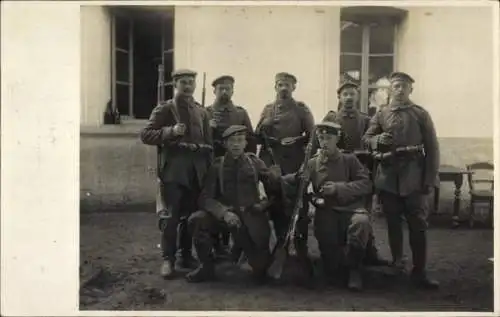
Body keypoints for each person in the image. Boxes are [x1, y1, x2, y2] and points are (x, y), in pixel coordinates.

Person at [362, 71, 440, 289]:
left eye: (404, 86)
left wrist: (429, 179)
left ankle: (419, 271)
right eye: (396, 86)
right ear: (390, 90)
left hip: (414, 176)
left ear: (410, 90)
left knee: (418, 225)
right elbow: (366, 138)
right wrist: (378, 139)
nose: (400, 89)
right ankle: (398, 264)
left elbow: (432, 149)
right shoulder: (381, 114)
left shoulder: (420, 114)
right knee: (393, 223)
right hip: (388, 177)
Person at [282, 121, 374, 291]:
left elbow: (366, 184)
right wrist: (289, 178)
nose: (325, 142)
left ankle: (354, 269)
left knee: (361, 223)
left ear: (337, 139)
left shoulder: (349, 159)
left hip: (352, 209)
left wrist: (338, 188)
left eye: (329, 138)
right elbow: (299, 181)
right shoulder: (312, 163)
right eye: (321, 138)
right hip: (327, 211)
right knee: (332, 266)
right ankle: (335, 265)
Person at [140, 69, 213, 279]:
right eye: (183, 82)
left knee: (191, 217)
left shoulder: (202, 112)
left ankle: (186, 255)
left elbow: (208, 144)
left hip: (197, 173)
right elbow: (146, 135)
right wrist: (170, 132)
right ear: (175, 84)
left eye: (191, 82)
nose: (188, 86)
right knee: (171, 217)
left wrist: (206, 164)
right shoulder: (165, 109)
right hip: (174, 171)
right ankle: (168, 260)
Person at [186, 125, 281, 283]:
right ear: (225, 144)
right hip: (226, 218)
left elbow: (273, 192)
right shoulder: (218, 166)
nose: (236, 144)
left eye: (240, 140)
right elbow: (205, 198)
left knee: (260, 270)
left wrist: (274, 180)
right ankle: (206, 267)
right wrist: (224, 213)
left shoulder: (255, 163)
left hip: (250, 220)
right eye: (232, 141)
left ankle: (245, 256)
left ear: (245, 143)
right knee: (197, 220)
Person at [254, 72, 315, 285]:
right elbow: (257, 136)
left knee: (298, 207)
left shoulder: (301, 109)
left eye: (287, 84)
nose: (283, 88)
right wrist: (265, 125)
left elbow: (313, 137)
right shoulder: (268, 109)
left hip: (296, 164)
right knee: (277, 206)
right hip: (274, 165)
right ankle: (281, 244)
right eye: (280, 84)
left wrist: (300, 142)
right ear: (275, 86)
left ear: (294, 87)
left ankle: (301, 248)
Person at [322, 82, 389, 267]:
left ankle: (368, 253)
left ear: (358, 97)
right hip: (336, 172)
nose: (349, 98)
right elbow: (321, 142)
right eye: (345, 94)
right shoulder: (331, 118)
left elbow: (373, 143)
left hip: (360, 171)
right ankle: (339, 256)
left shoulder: (366, 120)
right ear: (339, 97)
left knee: (363, 214)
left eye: (352, 94)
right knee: (335, 214)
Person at [206, 75, 256, 259]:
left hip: (236, 165)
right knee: (215, 202)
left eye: (228, 88)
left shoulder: (240, 114)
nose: (224, 91)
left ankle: (235, 245)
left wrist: (248, 160)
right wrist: (208, 128)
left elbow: (250, 139)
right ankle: (216, 246)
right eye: (221, 88)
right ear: (214, 91)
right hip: (213, 166)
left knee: (234, 200)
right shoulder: (206, 112)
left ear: (233, 90)